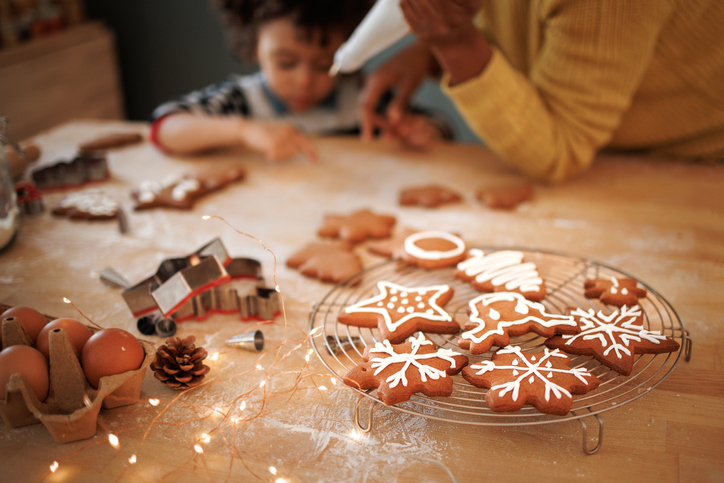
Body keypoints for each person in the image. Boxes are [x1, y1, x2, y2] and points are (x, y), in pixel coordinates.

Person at [359, 0, 724, 182]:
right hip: (604, 150)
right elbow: (532, 31)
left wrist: (455, 43)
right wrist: (430, 53)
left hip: (690, 169)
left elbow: (560, 146)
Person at [150, 0, 451, 162]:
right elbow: (165, 129)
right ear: (254, 46)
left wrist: (424, 131)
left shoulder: (362, 99)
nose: (304, 80)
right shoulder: (240, 101)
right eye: (286, 63)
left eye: (324, 65)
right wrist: (243, 130)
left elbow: (440, 127)